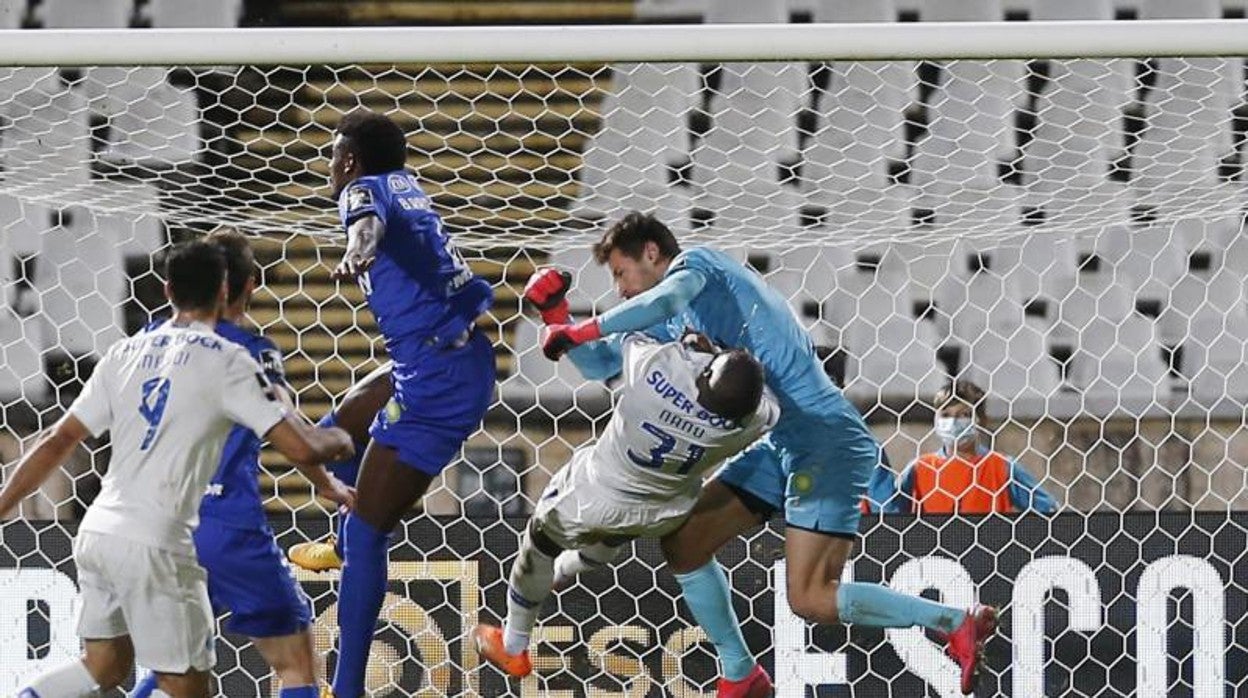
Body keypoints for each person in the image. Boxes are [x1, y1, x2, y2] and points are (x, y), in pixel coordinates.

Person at [541, 212, 998, 696]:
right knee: (684, 540)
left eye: (619, 272)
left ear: (651, 252)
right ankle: (740, 673)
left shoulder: (699, 267)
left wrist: (583, 328)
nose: (618, 288)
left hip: (827, 443)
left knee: (812, 598)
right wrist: (555, 315)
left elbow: (663, 298)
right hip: (781, 445)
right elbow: (600, 363)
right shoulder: (664, 321)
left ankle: (950, 621)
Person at [2, 240, 355, 698]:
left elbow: (57, 440)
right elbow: (300, 445)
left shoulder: (125, 352)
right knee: (220, 676)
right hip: (174, 535)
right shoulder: (230, 359)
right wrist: (342, 439)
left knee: (102, 667)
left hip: (100, 532)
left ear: (167, 290)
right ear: (230, 288)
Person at [472, 287, 779, 686]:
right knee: (610, 536)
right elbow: (769, 405)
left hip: (594, 494)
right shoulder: (749, 423)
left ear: (706, 375)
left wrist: (693, 343)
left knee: (539, 544)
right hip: (662, 512)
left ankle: (512, 646)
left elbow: (635, 335)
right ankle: (564, 572)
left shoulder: (653, 372)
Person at [310, 109, 496, 698]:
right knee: (340, 422)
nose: (330, 166)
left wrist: (359, 249)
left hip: (437, 382)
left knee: (370, 534)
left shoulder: (362, 190)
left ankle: (346, 688)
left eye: (335, 154)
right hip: (442, 356)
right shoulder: (406, 186)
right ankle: (341, 545)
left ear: (351, 161)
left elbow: (364, 223)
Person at [129, 229, 347, 698]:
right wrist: (327, 482)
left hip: (155, 524)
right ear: (246, 286)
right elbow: (289, 429)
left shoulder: (148, 339)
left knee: (174, 664)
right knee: (294, 660)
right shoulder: (249, 351)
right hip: (225, 523)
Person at [865, 380, 1058, 515]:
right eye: (946, 415)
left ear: (980, 420)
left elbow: (1048, 511)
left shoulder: (1001, 466)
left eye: (964, 414)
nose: (954, 421)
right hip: (934, 565)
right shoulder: (920, 468)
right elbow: (890, 515)